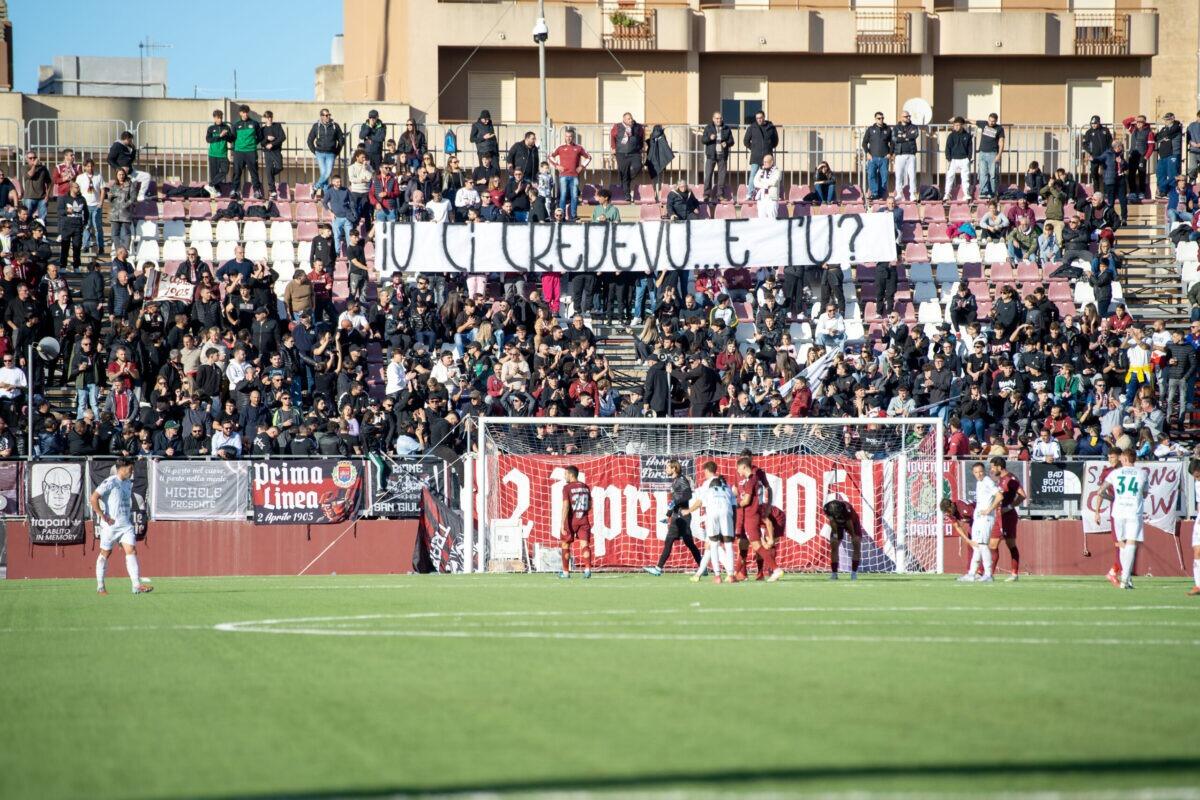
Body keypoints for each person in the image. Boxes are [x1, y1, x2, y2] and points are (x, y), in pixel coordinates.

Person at [91, 458, 152, 595]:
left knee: (131, 550)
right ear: (122, 468)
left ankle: (136, 585)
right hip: (110, 526)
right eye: (130, 469)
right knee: (105, 554)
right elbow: (93, 498)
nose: (132, 472)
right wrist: (102, 515)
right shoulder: (110, 482)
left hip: (126, 526)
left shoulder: (128, 484)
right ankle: (100, 586)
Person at [1096, 448, 1148, 590]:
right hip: (1133, 511)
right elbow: (1145, 494)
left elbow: (1100, 491)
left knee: (1122, 543)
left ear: (1124, 459)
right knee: (1131, 543)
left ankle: (1126, 578)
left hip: (1118, 511)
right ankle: (1126, 577)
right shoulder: (1143, 473)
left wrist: (1113, 498)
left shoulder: (1115, 473)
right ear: (1134, 459)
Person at [643, 459, 702, 575]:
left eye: (667, 467)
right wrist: (668, 515)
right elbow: (676, 501)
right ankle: (702, 566)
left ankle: (658, 569)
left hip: (682, 516)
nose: (666, 469)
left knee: (672, 541)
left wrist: (675, 502)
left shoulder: (681, 480)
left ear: (674, 468)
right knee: (685, 542)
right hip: (678, 516)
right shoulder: (675, 481)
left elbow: (688, 494)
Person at [682, 461, 737, 584]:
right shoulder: (726, 485)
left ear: (706, 471)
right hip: (727, 512)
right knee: (727, 544)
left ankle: (717, 575)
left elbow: (700, 501)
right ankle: (730, 574)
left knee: (712, 545)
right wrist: (734, 522)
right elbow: (734, 504)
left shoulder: (708, 485)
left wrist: (689, 511)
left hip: (712, 514)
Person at [735, 456, 782, 582]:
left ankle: (776, 569)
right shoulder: (750, 479)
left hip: (751, 516)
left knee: (757, 545)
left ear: (744, 467)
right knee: (743, 544)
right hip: (748, 516)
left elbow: (746, 501)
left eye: (739, 468)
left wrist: (733, 505)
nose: (738, 472)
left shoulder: (751, 480)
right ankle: (735, 574)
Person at [988, 455, 1025, 581]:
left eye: (993, 467)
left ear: (999, 467)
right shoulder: (1000, 479)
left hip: (1008, 516)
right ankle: (989, 575)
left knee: (1010, 545)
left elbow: (1023, 495)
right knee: (992, 545)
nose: (991, 470)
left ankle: (1014, 574)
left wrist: (1009, 507)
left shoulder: (1011, 478)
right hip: (998, 516)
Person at [558, 465, 593, 579]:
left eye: (565, 474)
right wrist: (582, 512)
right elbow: (590, 504)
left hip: (571, 520)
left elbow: (566, 505)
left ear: (571, 474)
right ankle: (587, 570)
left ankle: (566, 572)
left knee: (565, 544)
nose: (565, 476)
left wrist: (562, 523)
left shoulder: (567, 487)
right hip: (583, 519)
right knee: (585, 545)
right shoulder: (585, 487)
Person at [549, 127, 591, 221]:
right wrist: (557, 166)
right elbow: (550, 156)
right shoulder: (560, 147)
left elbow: (588, 157)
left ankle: (573, 215)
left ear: (573, 137)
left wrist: (582, 166)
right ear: (564, 137)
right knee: (563, 196)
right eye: (567, 136)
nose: (568, 138)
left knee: (574, 196)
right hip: (563, 175)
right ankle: (561, 216)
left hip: (574, 176)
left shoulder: (579, 147)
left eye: (570, 136)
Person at [822, 497, 862, 580]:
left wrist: (853, 535)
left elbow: (849, 522)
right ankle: (834, 573)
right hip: (837, 525)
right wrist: (835, 535)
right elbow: (832, 521)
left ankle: (854, 573)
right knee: (834, 544)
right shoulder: (826, 508)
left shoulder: (847, 509)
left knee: (856, 543)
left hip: (852, 522)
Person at [106, 131, 151, 201]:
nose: (131, 141)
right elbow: (109, 159)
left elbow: (131, 160)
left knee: (146, 176)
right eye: (130, 140)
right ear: (127, 138)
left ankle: (141, 196)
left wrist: (134, 149)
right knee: (127, 192)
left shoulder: (125, 147)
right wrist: (119, 169)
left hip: (131, 172)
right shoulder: (116, 146)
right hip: (123, 175)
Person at [307, 109, 344, 193]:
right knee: (324, 173)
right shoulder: (316, 126)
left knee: (327, 173)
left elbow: (341, 140)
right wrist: (315, 151)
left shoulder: (335, 126)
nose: (328, 117)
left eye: (329, 115)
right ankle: (327, 196)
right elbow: (309, 140)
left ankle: (315, 187)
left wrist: (336, 152)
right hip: (319, 153)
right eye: (326, 115)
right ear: (321, 116)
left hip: (331, 153)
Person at [609, 112, 645, 199]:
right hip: (621, 153)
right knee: (623, 174)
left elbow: (641, 137)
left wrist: (640, 146)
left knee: (638, 166)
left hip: (634, 153)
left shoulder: (638, 127)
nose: (630, 120)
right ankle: (627, 194)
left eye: (631, 118)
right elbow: (612, 137)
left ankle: (628, 178)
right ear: (624, 120)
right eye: (628, 119)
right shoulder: (617, 127)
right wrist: (613, 147)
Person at [701, 110, 733, 203]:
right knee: (708, 175)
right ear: (713, 119)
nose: (718, 120)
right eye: (717, 118)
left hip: (722, 156)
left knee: (722, 176)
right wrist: (709, 138)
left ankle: (720, 195)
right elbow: (703, 140)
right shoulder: (708, 128)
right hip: (711, 155)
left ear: (722, 119)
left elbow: (732, 141)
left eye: (720, 118)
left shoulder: (727, 128)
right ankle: (706, 195)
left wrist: (726, 143)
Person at [861, 111, 893, 201]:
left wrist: (890, 154)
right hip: (872, 157)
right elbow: (864, 143)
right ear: (875, 119)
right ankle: (874, 193)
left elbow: (893, 143)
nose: (881, 120)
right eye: (879, 118)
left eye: (882, 118)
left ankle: (881, 194)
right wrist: (867, 153)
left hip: (884, 158)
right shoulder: (870, 129)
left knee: (884, 177)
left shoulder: (888, 129)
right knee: (871, 175)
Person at [743, 110, 778, 189]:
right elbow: (746, 141)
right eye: (757, 118)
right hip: (756, 156)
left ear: (764, 117)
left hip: (767, 156)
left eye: (761, 118)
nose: (759, 119)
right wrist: (753, 148)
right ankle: (750, 194)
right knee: (753, 175)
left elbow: (775, 141)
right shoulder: (752, 127)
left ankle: (766, 193)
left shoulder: (771, 127)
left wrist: (769, 147)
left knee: (769, 176)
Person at [974, 114, 1005, 199]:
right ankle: (984, 192)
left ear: (996, 121)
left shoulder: (999, 129)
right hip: (982, 154)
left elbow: (1001, 141)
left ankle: (993, 193)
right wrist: (962, 120)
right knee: (983, 173)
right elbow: (973, 121)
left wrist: (999, 154)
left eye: (993, 121)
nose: (991, 122)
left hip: (993, 154)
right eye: (990, 120)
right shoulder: (984, 124)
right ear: (988, 119)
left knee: (993, 174)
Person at [892, 109, 919, 200]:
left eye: (909, 116)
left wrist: (903, 137)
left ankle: (912, 194)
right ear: (901, 117)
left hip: (911, 154)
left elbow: (914, 135)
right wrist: (907, 137)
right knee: (898, 175)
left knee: (912, 175)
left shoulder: (913, 127)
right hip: (899, 154)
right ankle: (899, 193)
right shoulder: (896, 128)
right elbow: (894, 138)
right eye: (906, 116)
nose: (908, 118)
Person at [259, 110, 286, 198]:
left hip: (276, 150)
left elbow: (282, 137)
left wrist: (272, 144)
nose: (269, 119)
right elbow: (262, 143)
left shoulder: (277, 126)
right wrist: (267, 139)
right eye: (267, 117)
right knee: (269, 169)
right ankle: (272, 190)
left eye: (270, 117)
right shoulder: (262, 129)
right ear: (265, 118)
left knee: (279, 167)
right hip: (267, 152)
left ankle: (269, 175)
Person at [204, 109, 233, 191]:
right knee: (214, 175)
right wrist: (219, 136)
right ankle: (215, 191)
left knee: (225, 171)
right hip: (213, 155)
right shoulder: (211, 128)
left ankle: (210, 185)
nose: (220, 119)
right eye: (218, 118)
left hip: (223, 154)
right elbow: (208, 140)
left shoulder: (226, 127)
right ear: (214, 118)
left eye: (221, 117)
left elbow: (231, 140)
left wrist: (226, 135)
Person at [752, 153, 781, 219]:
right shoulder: (760, 170)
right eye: (763, 162)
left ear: (771, 162)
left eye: (766, 162)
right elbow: (755, 182)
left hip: (771, 199)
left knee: (772, 218)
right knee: (761, 218)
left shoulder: (777, 171)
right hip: (761, 198)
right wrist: (766, 184)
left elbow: (773, 182)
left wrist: (761, 181)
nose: (764, 163)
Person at [1189, 460, 1200, 596]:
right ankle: (1198, 585)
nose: (1196, 478)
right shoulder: (1197, 484)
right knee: (1197, 550)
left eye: (1197, 475)